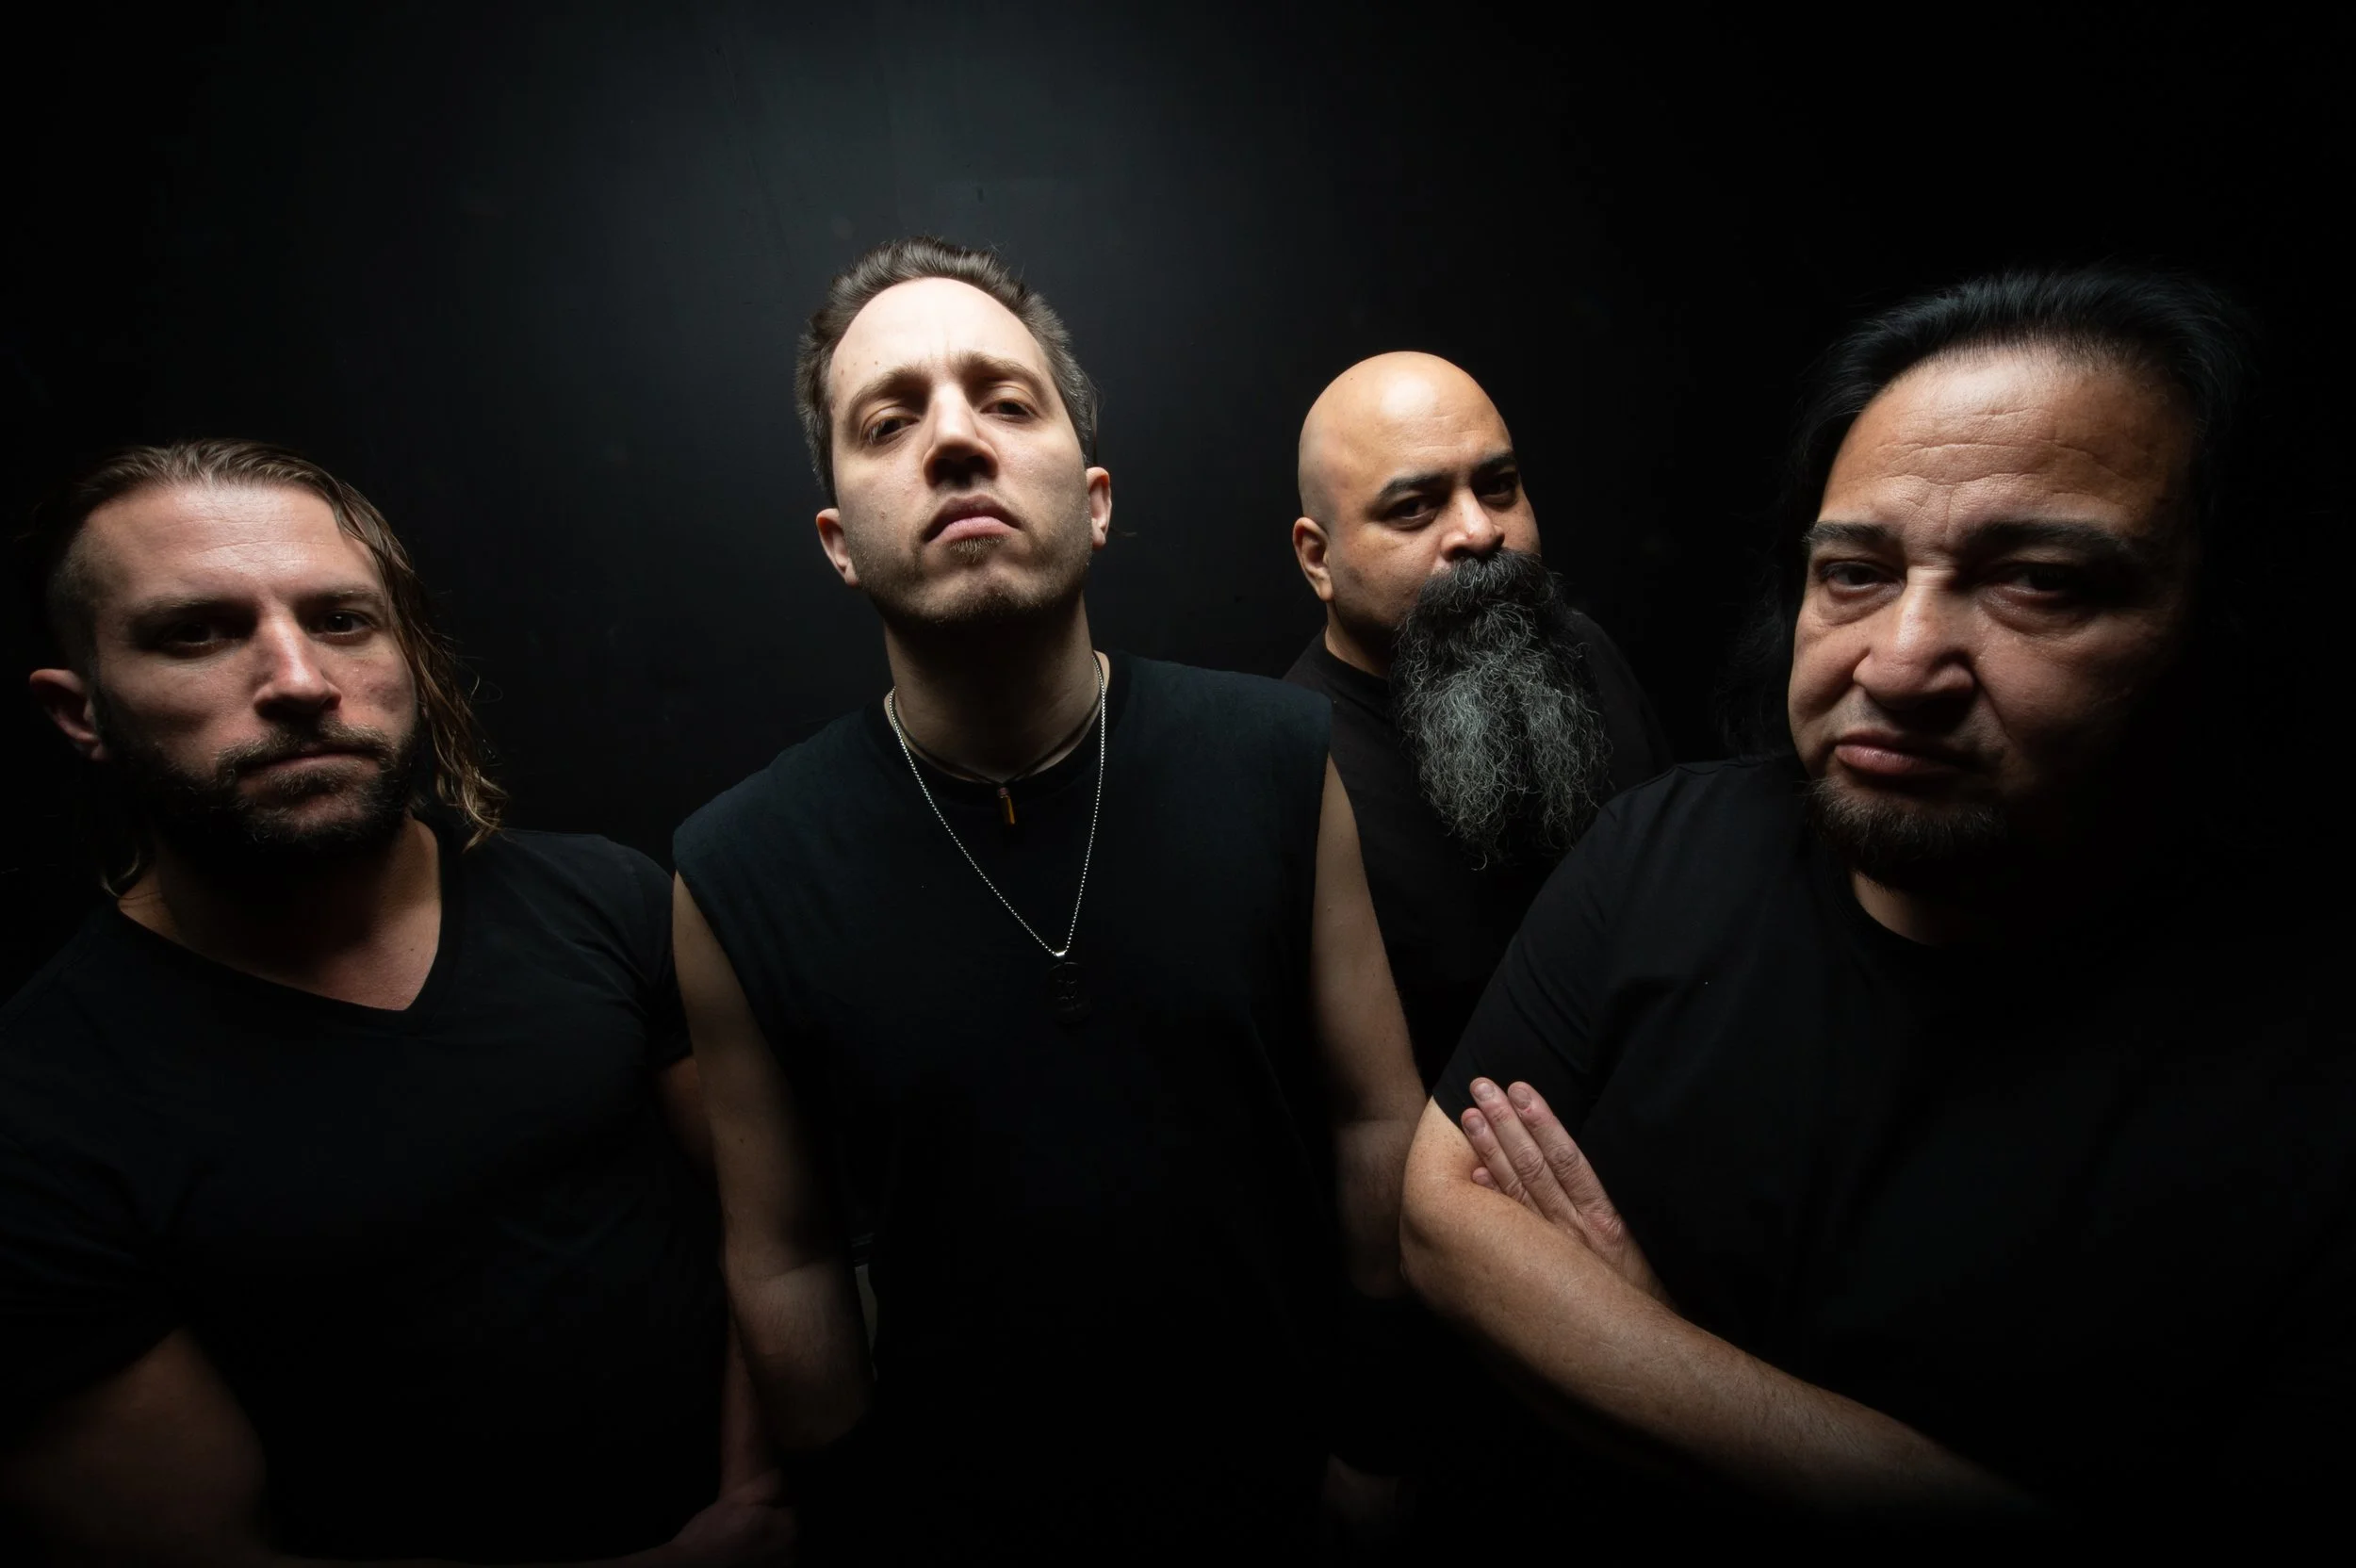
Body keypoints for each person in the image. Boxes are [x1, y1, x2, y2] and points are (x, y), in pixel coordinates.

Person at [1400, 268, 2354, 1527]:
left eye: (2040, 581)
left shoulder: (2309, 1077)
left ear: (2218, 622)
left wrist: (1646, 1354)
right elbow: (1442, 1210)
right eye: (1854, 571)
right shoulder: (1660, 844)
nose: (1899, 665)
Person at [672, 237, 1427, 1560]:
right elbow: (785, 1258)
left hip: (1288, 1488)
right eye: (888, 420)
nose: (956, 441)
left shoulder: (1273, 760)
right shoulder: (739, 866)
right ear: (838, 543)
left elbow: (1377, 1121)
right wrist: (858, 1522)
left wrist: (1375, 1441)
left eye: (1006, 400)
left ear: (1095, 499)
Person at [0, 442, 790, 1565]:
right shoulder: (39, 1107)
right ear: (80, 711)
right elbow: (203, 1540)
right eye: (198, 633)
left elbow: (772, 1223)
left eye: (341, 619)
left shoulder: (606, 899)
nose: (298, 679)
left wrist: (756, 1496)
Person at [1286, 352, 1669, 1081]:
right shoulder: (1295, 768)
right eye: (1414, 507)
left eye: (1498, 487)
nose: (1479, 530)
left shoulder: (1583, 649)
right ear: (1318, 558)